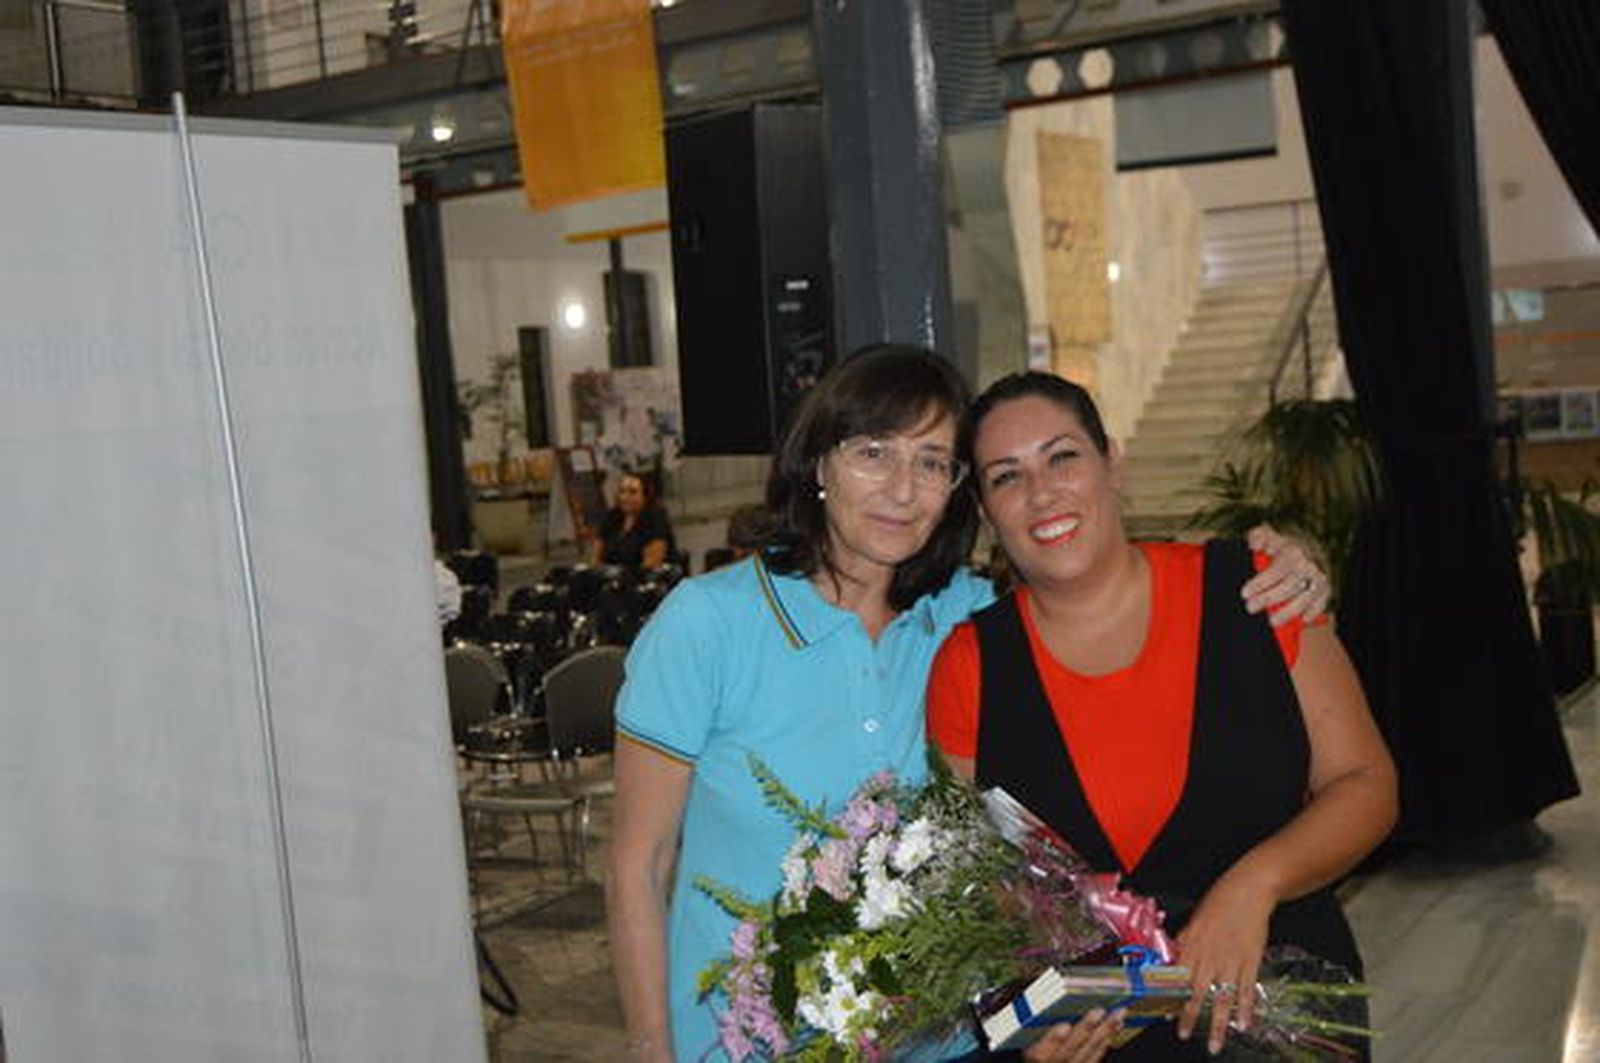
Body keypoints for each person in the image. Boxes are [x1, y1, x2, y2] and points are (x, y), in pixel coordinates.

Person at [607, 346, 1332, 1063]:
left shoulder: (966, 620)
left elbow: (1100, 585)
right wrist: (650, 1049)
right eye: (873, 452)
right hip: (744, 1041)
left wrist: (1271, 562)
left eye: (931, 463)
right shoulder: (708, 622)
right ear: (818, 462)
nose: (902, 489)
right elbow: (639, 862)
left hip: (937, 1042)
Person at [927, 372, 1398, 1060]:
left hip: (1281, 1010)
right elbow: (978, 886)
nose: (1041, 492)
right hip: (1102, 1035)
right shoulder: (971, 663)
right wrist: (1030, 1018)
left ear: (1112, 461)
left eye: (1063, 456)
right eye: (1006, 476)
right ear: (985, 509)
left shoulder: (1257, 589)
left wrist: (1252, 885)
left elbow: (1367, 783)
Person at [594, 470, 676, 570]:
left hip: (646, 578)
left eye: (633, 492)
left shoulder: (655, 520)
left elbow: (651, 564)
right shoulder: (612, 517)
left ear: (645, 496)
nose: (625, 497)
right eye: (622, 491)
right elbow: (597, 557)